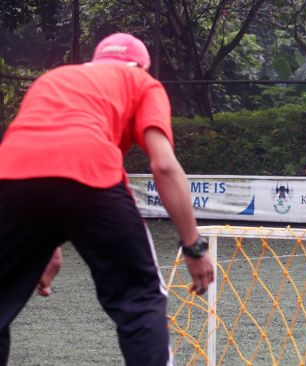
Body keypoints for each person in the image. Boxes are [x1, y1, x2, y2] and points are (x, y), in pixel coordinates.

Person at [0, 33, 214, 365]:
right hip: (92, 175)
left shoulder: (53, 78)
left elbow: (40, 157)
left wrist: (44, 241)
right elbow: (164, 166)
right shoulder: (142, 82)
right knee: (139, 298)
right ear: (142, 66)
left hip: (10, 178)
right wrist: (193, 245)